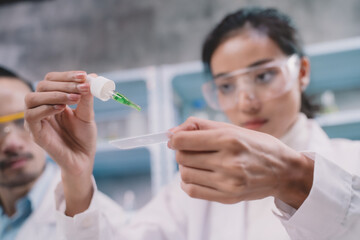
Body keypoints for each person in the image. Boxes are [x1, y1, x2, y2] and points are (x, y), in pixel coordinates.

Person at [24, 7, 360, 240]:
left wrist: (295, 180)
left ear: (301, 72)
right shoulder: (190, 190)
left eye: (264, 75)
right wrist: (77, 174)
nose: (246, 101)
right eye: (226, 86)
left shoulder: (352, 161)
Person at [0, 66, 123, 240]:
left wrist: (77, 177)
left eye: (22, 120)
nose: (12, 143)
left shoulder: (108, 220)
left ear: (41, 115)